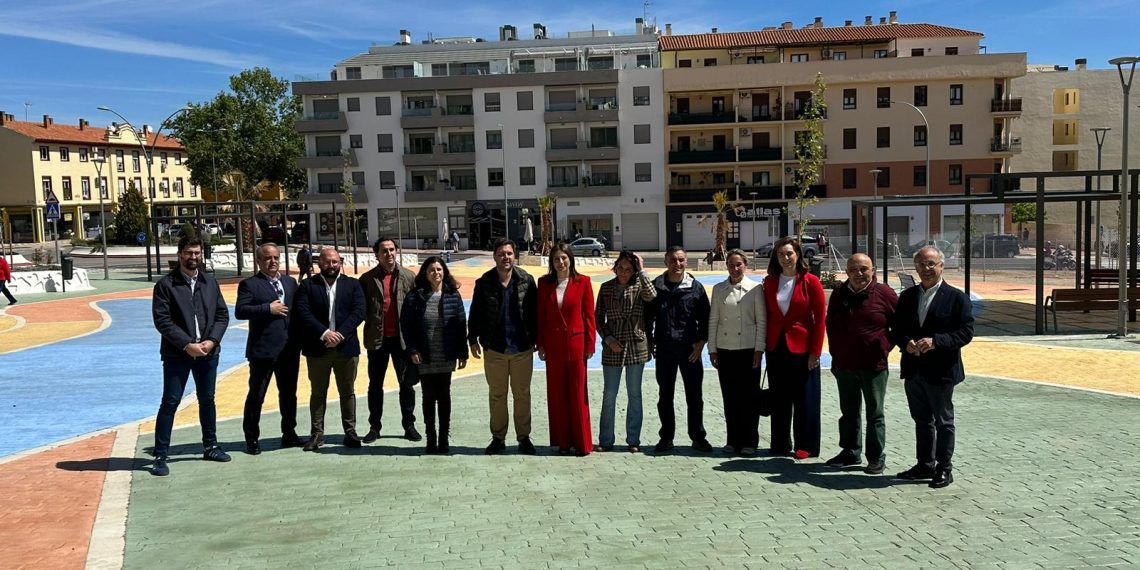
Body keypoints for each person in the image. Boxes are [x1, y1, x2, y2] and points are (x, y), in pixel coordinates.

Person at [892, 247, 974, 489]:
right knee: (921, 420)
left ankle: (944, 468)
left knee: (943, 421)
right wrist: (905, 342)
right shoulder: (907, 297)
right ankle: (924, 464)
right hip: (914, 369)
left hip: (941, 371)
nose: (925, 269)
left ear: (941, 266)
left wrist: (936, 341)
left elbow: (966, 332)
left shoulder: (957, 298)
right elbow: (897, 328)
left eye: (930, 264)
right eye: (920, 265)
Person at [149, 236, 231, 476]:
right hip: (178, 355)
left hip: (208, 352)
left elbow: (222, 315)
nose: (193, 257)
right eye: (188, 253)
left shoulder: (209, 282)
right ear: (179, 254)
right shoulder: (166, 285)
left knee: (208, 400)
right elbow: (162, 321)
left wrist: (212, 341)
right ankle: (161, 456)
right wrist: (187, 344)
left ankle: (211, 446)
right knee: (170, 402)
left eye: (196, 253)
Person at [824, 253, 898, 474]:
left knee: (875, 413)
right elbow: (831, 324)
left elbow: (901, 324)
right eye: (854, 269)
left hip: (873, 366)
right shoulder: (839, 293)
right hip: (844, 364)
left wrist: (884, 347)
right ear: (846, 272)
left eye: (864, 269)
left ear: (872, 270)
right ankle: (850, 451)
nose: (859, 274)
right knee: (848, 412)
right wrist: (836, 353)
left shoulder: (884, 293)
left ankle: (876, 457)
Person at [468, 238, 539, 455]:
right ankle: (498, 438)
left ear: (515, 256)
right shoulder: (484, 282)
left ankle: (524, 438)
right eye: (501, 253)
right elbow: (476, 313)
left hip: (521, 348)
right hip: (495, 349)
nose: (505, 257)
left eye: (509, 253)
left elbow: (535, 313)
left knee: (522, 395)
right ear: (494, 257)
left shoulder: (527, 280)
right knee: (497, 395)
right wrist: (473, 339)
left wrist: (536, 338)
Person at [235, 243, 305, 455]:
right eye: (267, 258)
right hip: (263, 350)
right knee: (257, 396)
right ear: (258, 261)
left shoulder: (290, 282)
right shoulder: (249, 284)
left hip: (289, 350)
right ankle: (252, 438)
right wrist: (268, 308)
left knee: (289, 395)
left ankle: (289, 433)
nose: (272, 261)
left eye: (275, 257)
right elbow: (240, 310)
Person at [294, 247, 367, 451]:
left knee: (348, 392)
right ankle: (317, 434)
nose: (331, 265)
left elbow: (359, 312)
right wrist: (325, 333)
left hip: (346, 348)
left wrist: (340, 334)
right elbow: (303, 312)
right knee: (318, 393)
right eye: (327, 262)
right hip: (318, 348)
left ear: (340, 262)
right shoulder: (308, 286)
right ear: (319, 264)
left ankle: (350, 432)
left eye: (335, 262)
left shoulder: (353, 285)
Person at [763, 237, 826, 460]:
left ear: (798, 255)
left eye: (789, 253)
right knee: (779, 397)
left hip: (803, 349)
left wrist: (815, 353)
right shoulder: (770, 282)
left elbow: (819, 320)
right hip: (776, 347)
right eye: (781, 254)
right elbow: (768, 316)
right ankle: (780, 443)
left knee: (805, 399)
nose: (786, 258)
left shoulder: (811, 282)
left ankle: (806, 445)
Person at [645, 246, 712, 454]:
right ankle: (666, 438)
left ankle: (698, 437)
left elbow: (707, 319)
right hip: (664, 350)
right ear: (666, 261)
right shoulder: (656, 287)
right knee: (665, 395)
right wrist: (650, 343)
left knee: (694, 396)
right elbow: (647, 318)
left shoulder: (696, 288)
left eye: (681, 260)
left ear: (687, 262)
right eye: (673, 260)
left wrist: (700, 344)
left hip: (690, 351)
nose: (677, 264)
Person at [401, 256, 468, 454]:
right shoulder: (415, 296)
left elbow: (460, 324)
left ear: (445, 272)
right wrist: (412, 350)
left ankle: (444, 438)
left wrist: (462, 352)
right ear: (425, 273)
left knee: (444, 396)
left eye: (439, 270)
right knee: (428, 397)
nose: (436, 273)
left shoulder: (452, 295)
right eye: (432, 270)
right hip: (425, 354)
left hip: (445, 353)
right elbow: (407, 326)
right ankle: (431, 438)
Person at [536, 243, 596, 456]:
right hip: (553, 347)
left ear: (571, 259)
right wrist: (540, 344)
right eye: (556, 259)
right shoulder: (544, 284)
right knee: (557, 396)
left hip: (576, 346)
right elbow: (541, 316)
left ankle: (582, 443)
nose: (560, 263)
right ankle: (563, 443)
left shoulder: (583, 282)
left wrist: (590, 344)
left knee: (579, 395)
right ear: (551, 263)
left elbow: (589, 316)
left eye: (564, 258)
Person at [360, 238, 421, 443]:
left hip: (402, 341)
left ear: (397, 251)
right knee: (375, 385)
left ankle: (409, 425)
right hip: (377, 340)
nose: (389, 254)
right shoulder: (367, 279)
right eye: (384, 251)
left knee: (407, 384)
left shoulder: (408, 277)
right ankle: (374, 427)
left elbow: (418, 308)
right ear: (376, 254)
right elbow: (360, 309)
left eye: (392, 249)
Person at [595, 250, 656, 453]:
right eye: (620, 268)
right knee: (609, 395)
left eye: (628, 269)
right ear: (615, 267)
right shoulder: (605, 288)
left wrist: (643, 271)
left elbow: (652, 296)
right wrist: (608, 338)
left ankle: (633, 440)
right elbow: (598, 318)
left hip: (636, 345)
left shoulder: (639, 286)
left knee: (635, 394)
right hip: (612, 346)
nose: (623, 272)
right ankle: (605, 440)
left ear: (634, 270)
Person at [708, 249, 766, 456]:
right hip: (725, 349)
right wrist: (712, 350)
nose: (735, 268)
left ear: (745, 265)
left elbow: (761, 321)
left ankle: (750, 441)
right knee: (730, 398)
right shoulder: (718, 289)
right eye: (731, 264)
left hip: (749, 350)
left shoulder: (755, 288)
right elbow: (713, 320)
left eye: (738, 264)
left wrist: (759, 350)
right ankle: (732, 440)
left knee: (749, 398)